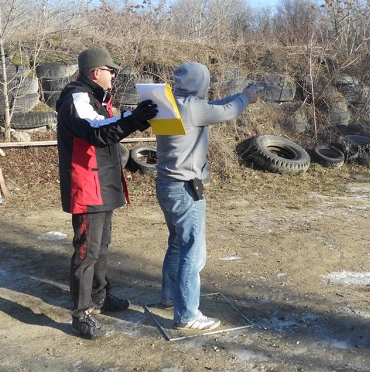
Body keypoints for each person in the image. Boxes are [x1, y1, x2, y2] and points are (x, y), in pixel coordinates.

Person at [56, 46, 158, 339]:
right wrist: (133, 118)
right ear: (95, 72)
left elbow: (108, 128)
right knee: (87, 251)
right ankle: (80, 314)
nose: (113, 75)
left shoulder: (96, 98)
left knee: (101, 246)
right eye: (110, 70)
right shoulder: (77, 98)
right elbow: (96, 131)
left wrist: (135, 119)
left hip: (102, 183)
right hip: (88, 186)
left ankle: (99, 296)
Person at [155, 62, 259, 331]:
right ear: (200, 83)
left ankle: (170, 296)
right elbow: (227, 111)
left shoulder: (167, 104)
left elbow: (212, 107)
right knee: (192, 251)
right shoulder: (192, 108)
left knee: (177, 243)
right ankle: (187, 314)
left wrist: (239, 95)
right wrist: (245, 98)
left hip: (167, 184)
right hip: (185, 188)